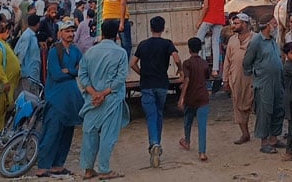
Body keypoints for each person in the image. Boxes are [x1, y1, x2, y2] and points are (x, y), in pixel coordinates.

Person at [79, 19, 130, 180]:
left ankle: (88, 169)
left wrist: (94, 94)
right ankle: (104, 169)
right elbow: (120, 78)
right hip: (111, 100)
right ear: (117, 34)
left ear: (101, 32)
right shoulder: (120, 52)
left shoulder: (90, 52)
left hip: (91, 101)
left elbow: (82, 75)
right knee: (108, 135)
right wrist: (103, 94)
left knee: (89, 133)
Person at [131, 15, 181, 168]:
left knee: (151, 115)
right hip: (162, 84)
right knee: (159, 114)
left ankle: (154, 143)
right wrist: (180, 69)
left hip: (147, 84)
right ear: (163, 27)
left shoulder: (143, 45)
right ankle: (156, 144)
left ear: (151, 28)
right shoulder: (167, 44)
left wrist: (142, 73)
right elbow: (177, 59)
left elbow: (133, 63)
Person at [36, 18, 83, 178]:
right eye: (67, 31)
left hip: (71, 99)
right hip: (56, 98)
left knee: (67, 132)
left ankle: (58, 165)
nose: (71, 34)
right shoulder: (55, 50)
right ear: (60, 33)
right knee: (52, 131)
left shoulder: (76, 51)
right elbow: (56, 74)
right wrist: (72, 71)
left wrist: (68, 71)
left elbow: (81, 70)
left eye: (72, 31)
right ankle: (43, 166)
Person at [242, 16, 284, 154]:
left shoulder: (273, 41)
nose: (277, 26)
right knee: (265, 111)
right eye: (274, 23)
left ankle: (274, 138)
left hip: (277, 81)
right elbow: (247, 62)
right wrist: (257, 75)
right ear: (267, 25)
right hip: (264, 82)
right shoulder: (256, 42)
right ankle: (264, 141)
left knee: (278, 108)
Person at [223, 13, 256, 145]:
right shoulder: (232, 40)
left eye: (236, 23)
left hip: (253, 79)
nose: (234, 26)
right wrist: (225, 79)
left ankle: (265, 135)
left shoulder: (256, 39)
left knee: (257, 105)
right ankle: (245, 133)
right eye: (233, 23)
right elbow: (227, 61)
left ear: (245, 24)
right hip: (236, 78)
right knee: (238, 106)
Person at [178, 37, 211, 161]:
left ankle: (187, 141)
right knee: (202, 126)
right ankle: (202, 153)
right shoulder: (204, 63)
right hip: (203, 97)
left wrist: (181, 98)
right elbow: (205, 78)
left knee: (188, 121)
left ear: (189, 49)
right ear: (200, 48)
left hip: (190, 97)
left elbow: (187, 80)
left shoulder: (187, 63)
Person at [195, 0, 227, 78]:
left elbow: (206, 6)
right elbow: (224, 2)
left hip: (209, 18)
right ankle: (215, 70)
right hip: (219, 19)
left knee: (198, 40)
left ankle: (198, 65)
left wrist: (200, 20)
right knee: (215, 43)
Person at [15, 14, 42, 81]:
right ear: (38, 24)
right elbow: (21, 53)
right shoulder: (27, 36)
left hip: (33, 70)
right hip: (27, 72)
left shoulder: (32, 35)